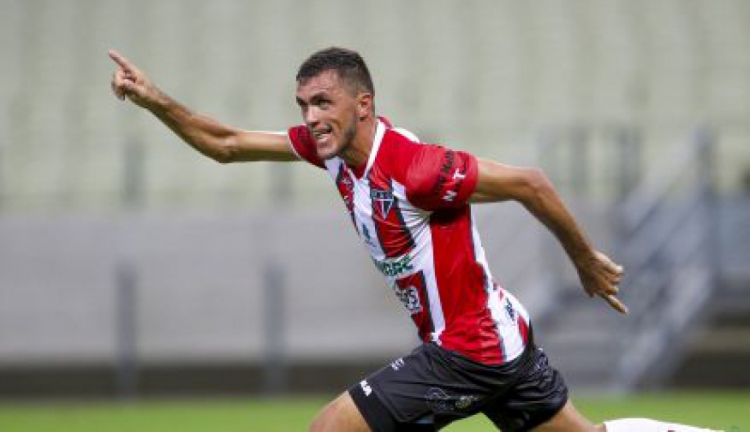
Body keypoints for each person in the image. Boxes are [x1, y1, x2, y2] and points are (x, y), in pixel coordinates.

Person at [109, 47, 718, 432]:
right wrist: (154, 99)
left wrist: (584, 260)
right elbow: (225, 144)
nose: (310, 117)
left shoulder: (417, 169)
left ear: (363, 104)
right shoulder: (330, 151)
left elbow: (530, 183)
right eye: (302, 105)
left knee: (330, 430)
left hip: (469, 349)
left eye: (322, 102)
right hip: (495, 337)